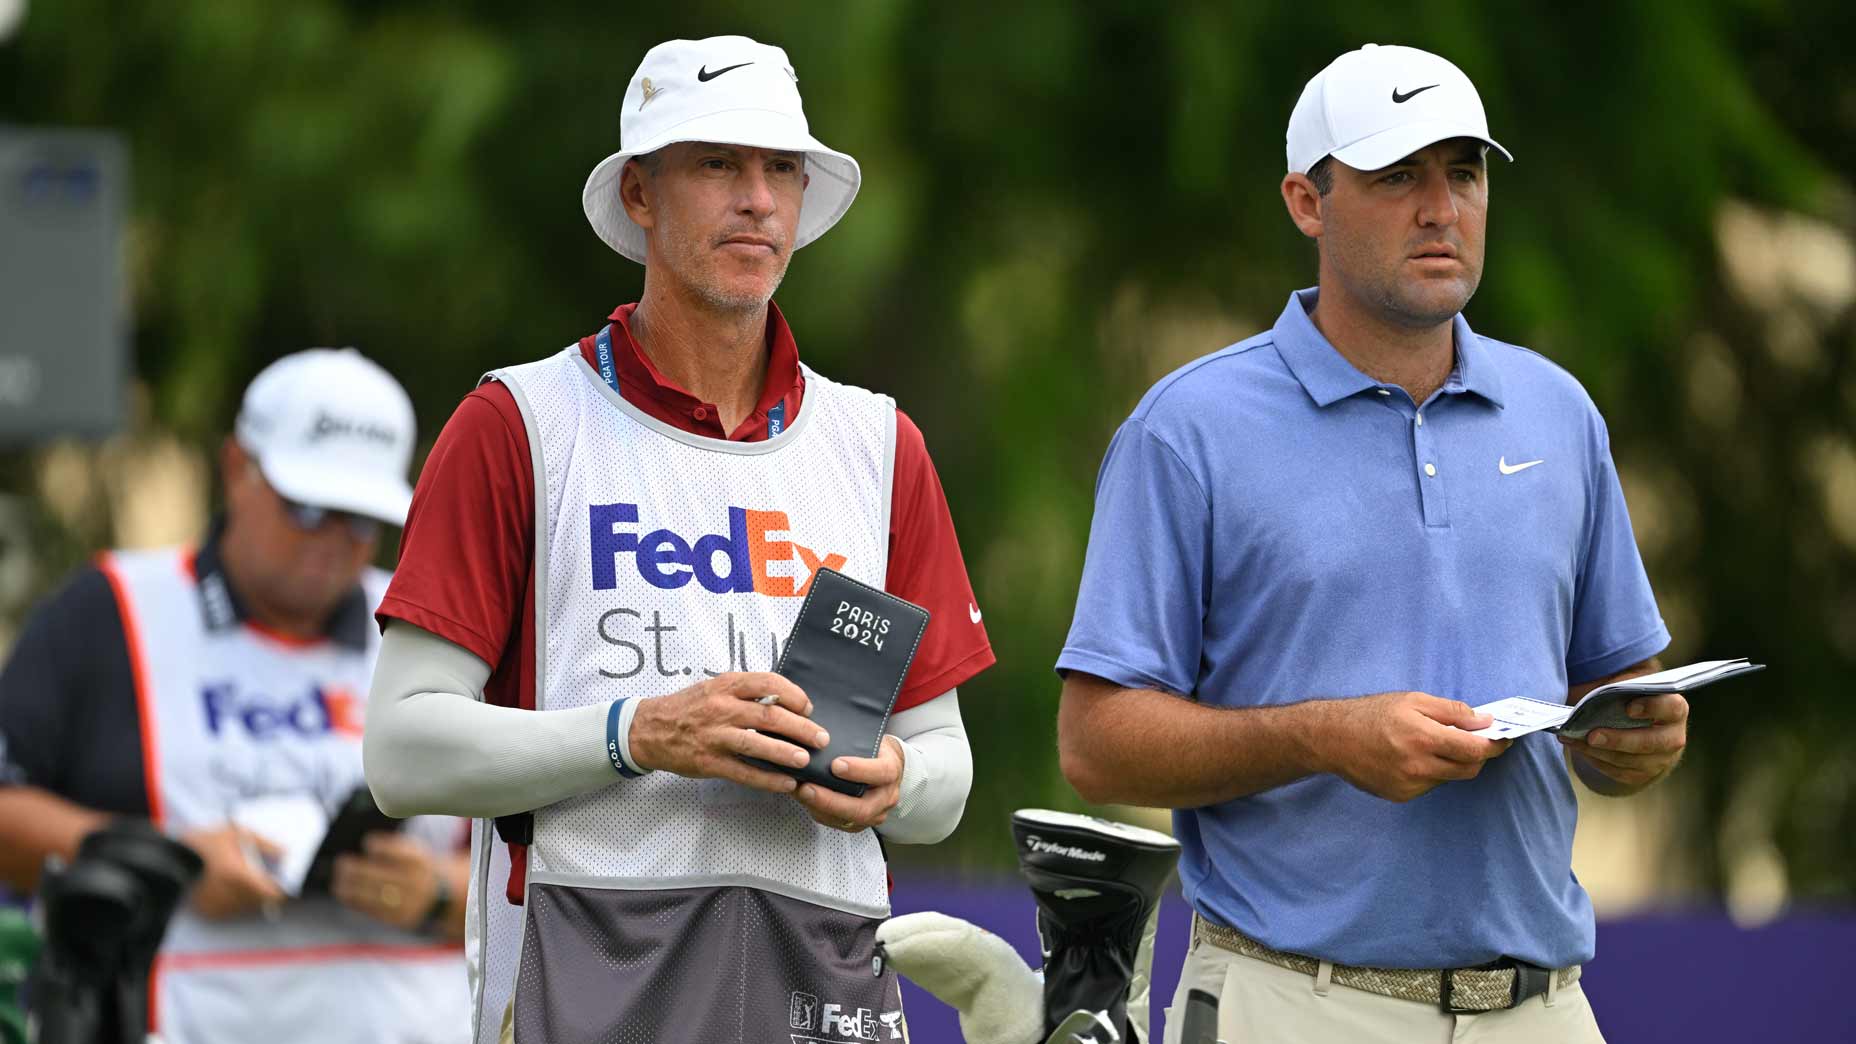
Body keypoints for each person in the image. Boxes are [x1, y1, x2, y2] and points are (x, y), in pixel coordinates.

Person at [362, 34, 994, 1044]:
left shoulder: (879, 446)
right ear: (642, 196)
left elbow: (943, 772)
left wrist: (894, 784)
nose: (756, 199)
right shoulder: (518, 423)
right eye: (717, 165)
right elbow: (400, 752)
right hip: (587, 958)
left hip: (821, 970)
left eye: (780, 169)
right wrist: (636, 734)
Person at [1055, 44, 1684, 1043]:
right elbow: (1094, 745)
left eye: (1462, 172)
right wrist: (1324, 737)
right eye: (1397, 175)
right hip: (1291, 1000)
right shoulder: (1187, 429)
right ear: (1307, 202)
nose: (1439, 207)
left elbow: (1615, 690)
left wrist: (1631, 742)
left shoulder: (1556, 413)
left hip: (1541, 1009)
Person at [0, 348, 471, 1043]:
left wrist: (435, 891)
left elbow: (551, 861)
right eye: (307, 509)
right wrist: (171, 863)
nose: (333, 543)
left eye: (360, 519)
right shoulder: (112, 609)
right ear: (236, 470)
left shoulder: (440, 629)